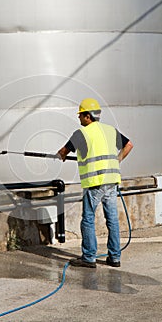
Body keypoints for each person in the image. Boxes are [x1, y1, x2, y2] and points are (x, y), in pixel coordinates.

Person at [57, 98, 133, 268]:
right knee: (112, 219)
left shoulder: (81, 134)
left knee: (88, 219)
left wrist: (60, 155)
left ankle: (89, 257)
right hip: (112, 181)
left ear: (87, 116)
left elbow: (63, 152)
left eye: (80, 115)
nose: (79, 119)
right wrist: (116, 160)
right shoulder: (110, 130)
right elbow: (129, 145)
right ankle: (114, 258)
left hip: (95, 183)